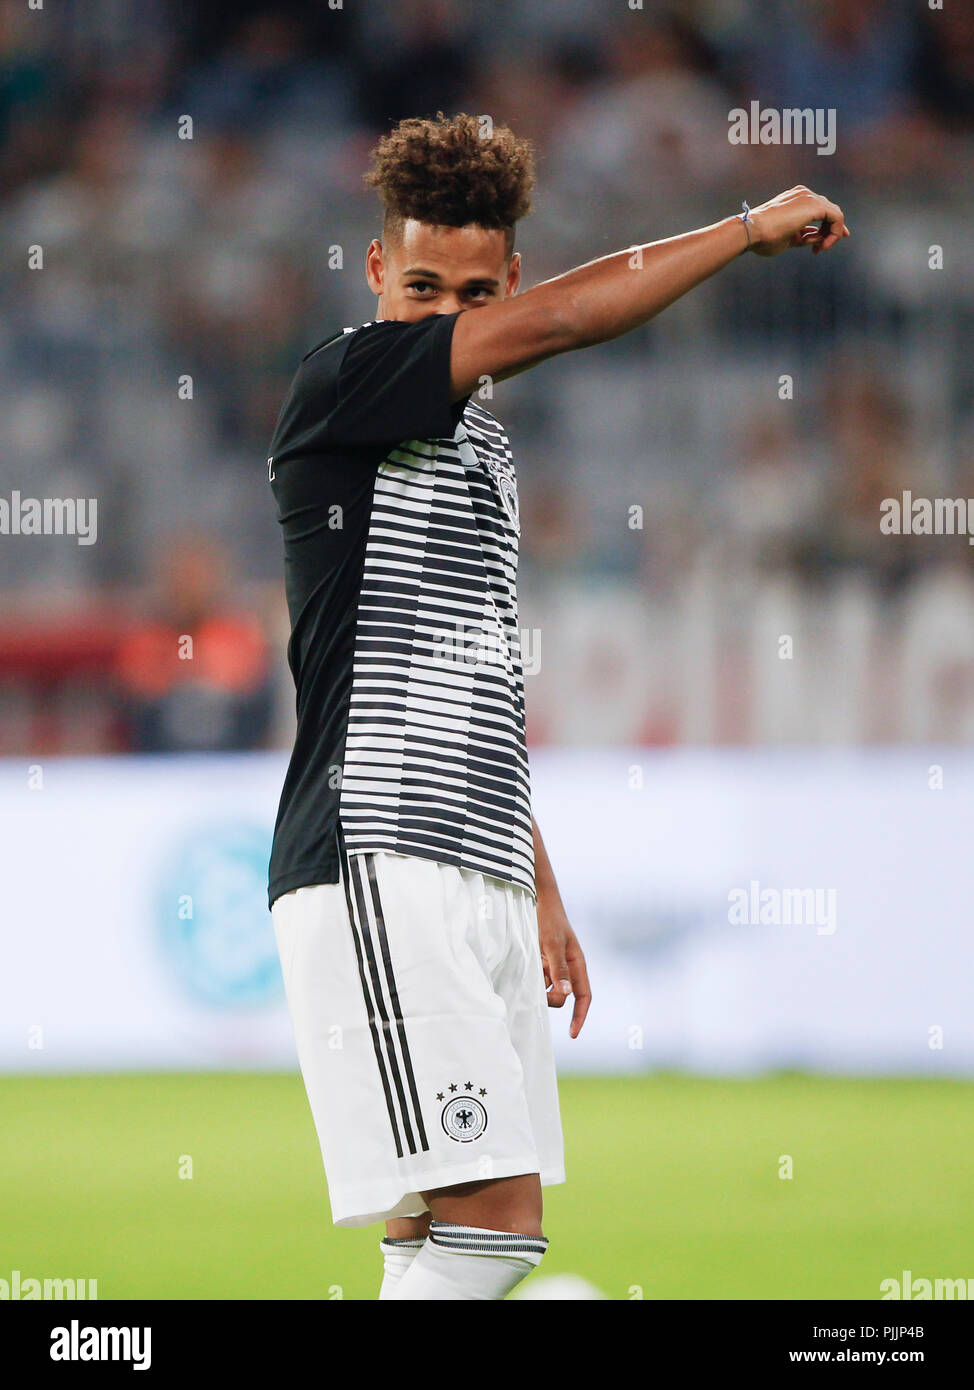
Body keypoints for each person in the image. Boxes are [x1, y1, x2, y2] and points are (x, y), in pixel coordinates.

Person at [266, 112, 849, 1301]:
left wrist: (534, 880)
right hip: (377, 846)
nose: (445, 313)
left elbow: (475, 672)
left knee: (444, 1240)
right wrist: (742, 230)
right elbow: (572, 318)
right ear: (376, 268)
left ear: (506, 277)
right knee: (494, 1226)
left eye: (474, 292)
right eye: (420, 283)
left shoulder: (481, 449)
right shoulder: (344, 383)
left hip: (467, 857)